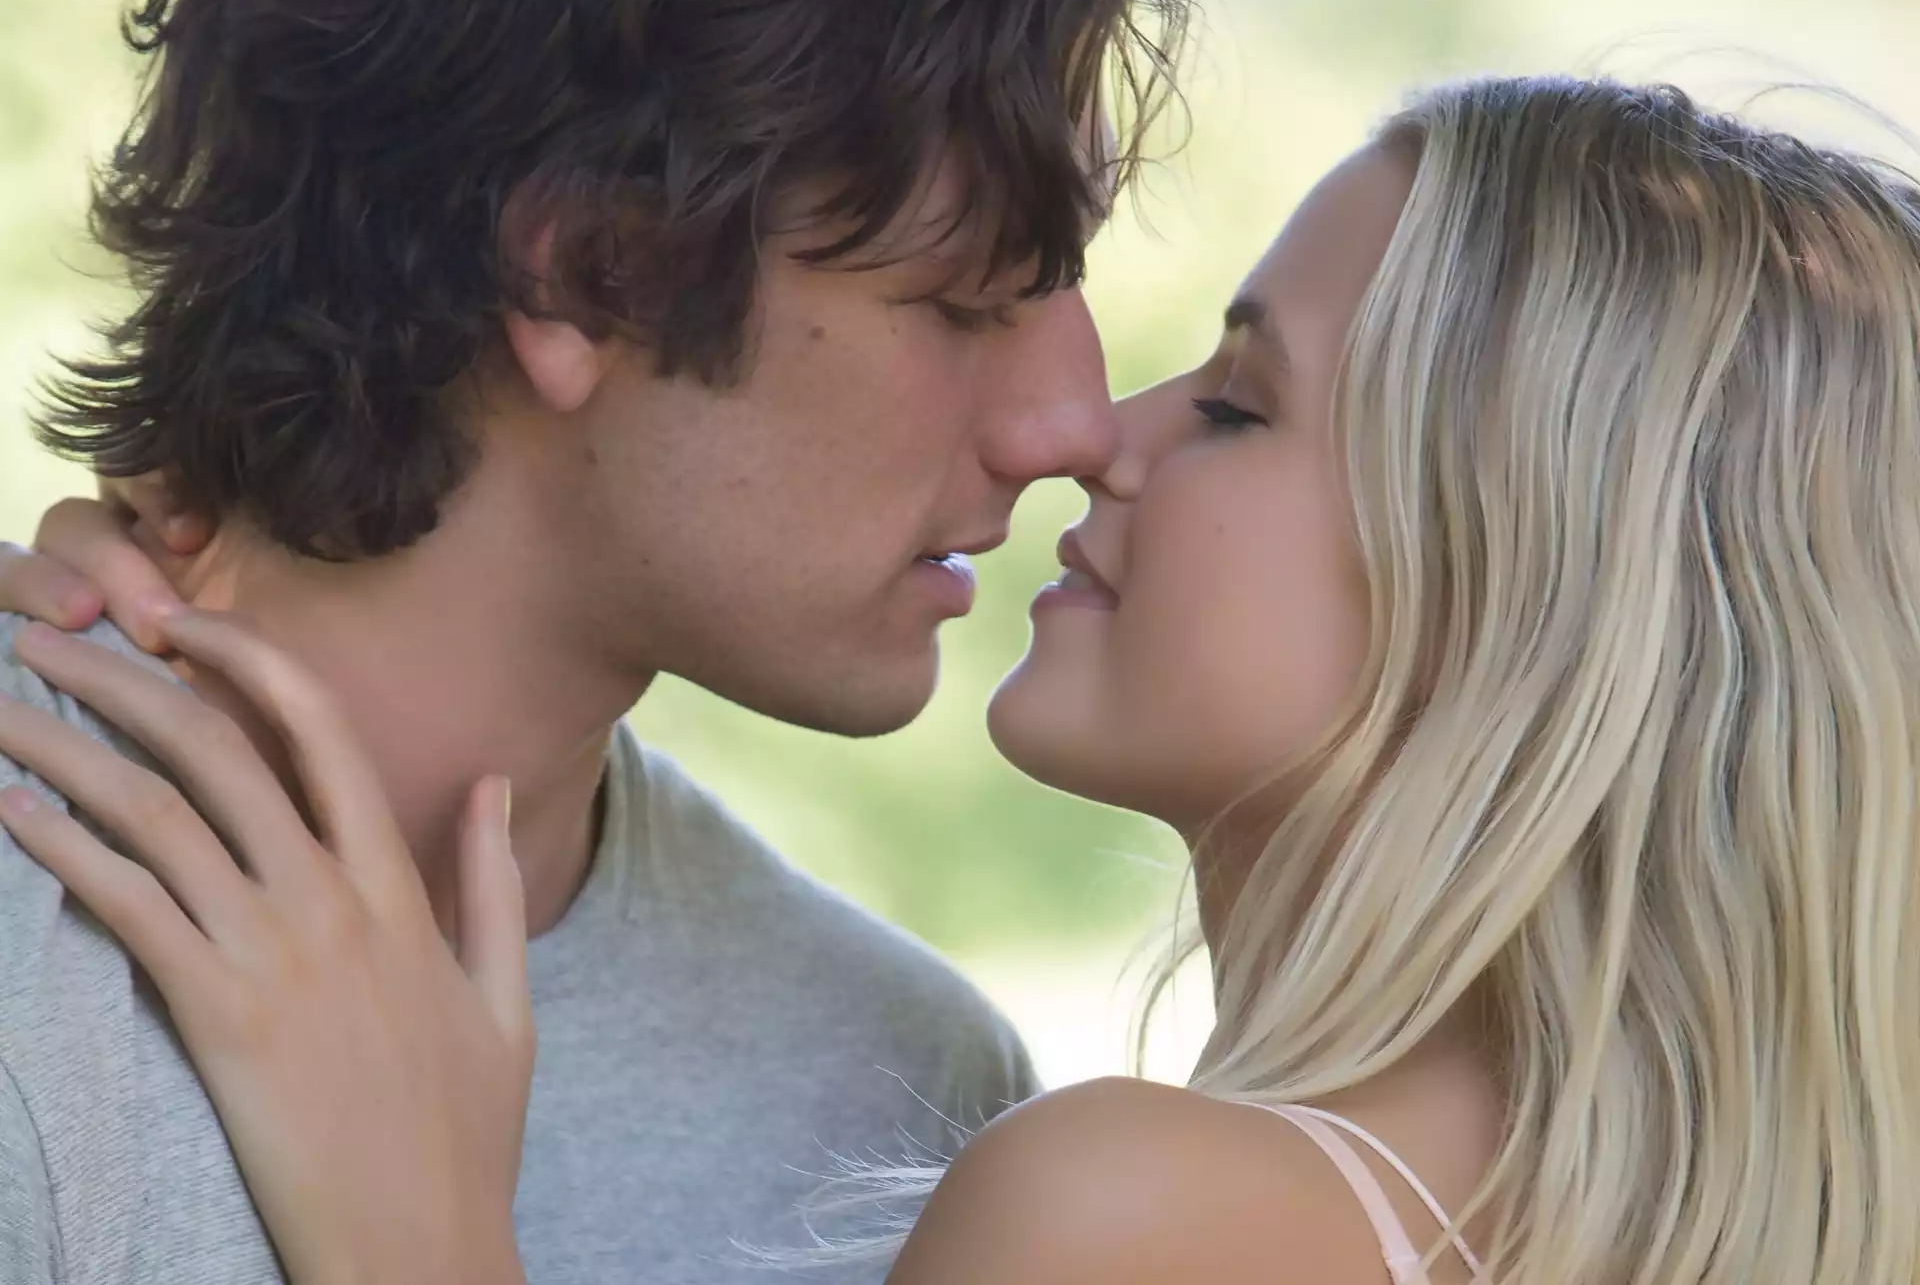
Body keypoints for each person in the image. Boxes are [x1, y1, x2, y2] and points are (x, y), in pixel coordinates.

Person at [10, 73, 1920, 1285]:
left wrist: (418, 1234)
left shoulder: (1132, 1217)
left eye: (1239, 407)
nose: (1100, 433)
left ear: (1520, 604)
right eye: (965, 297)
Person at [0, 0, 1220, 1281]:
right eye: (967, 301)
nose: (1076, 426)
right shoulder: (31, 1005)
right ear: (587, 274)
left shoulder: (909, 1100)